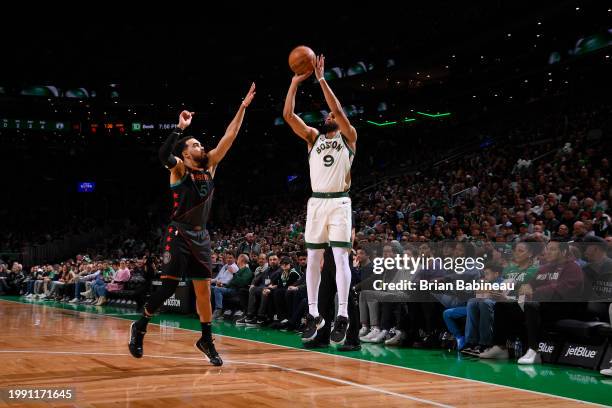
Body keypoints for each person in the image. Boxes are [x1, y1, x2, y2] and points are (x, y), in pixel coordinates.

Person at [129, 83, 256, 366]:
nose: (201, 146)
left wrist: (243, 107)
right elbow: (163, 155)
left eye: (200, 144)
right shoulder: (178, 168)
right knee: (168, 288)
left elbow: (230, 136)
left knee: (203, 291)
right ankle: (140, 327)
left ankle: (206, 339)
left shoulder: (209, 166)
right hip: (178, 233)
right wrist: (179, 128)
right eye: (196, 144)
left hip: (201, 237)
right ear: (185, 153)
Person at [283, 54, 357, 344]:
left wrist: (322, 79)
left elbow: (336, 107)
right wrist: (293, 83)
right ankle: (314, 314)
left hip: (339, 202)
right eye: (326, 115)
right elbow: (289, 116)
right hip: (316, 203)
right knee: (313, 258)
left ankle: (342, 315)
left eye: (332, 116)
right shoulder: (313, 138)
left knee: (340, 258)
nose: (328, 116)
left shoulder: (349, 136)